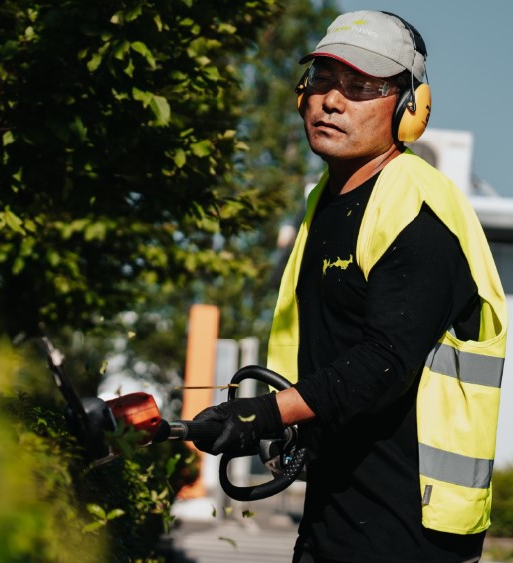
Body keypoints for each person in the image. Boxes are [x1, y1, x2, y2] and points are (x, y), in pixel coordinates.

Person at [193, 10, 507, 563]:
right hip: (335, 516)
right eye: (321, 80)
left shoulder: (418, 213)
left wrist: (263, 413)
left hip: (409, 533)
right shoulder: (327, 203)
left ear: (410, 108)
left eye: (362, 87)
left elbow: (379, 365)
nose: (332, 101)